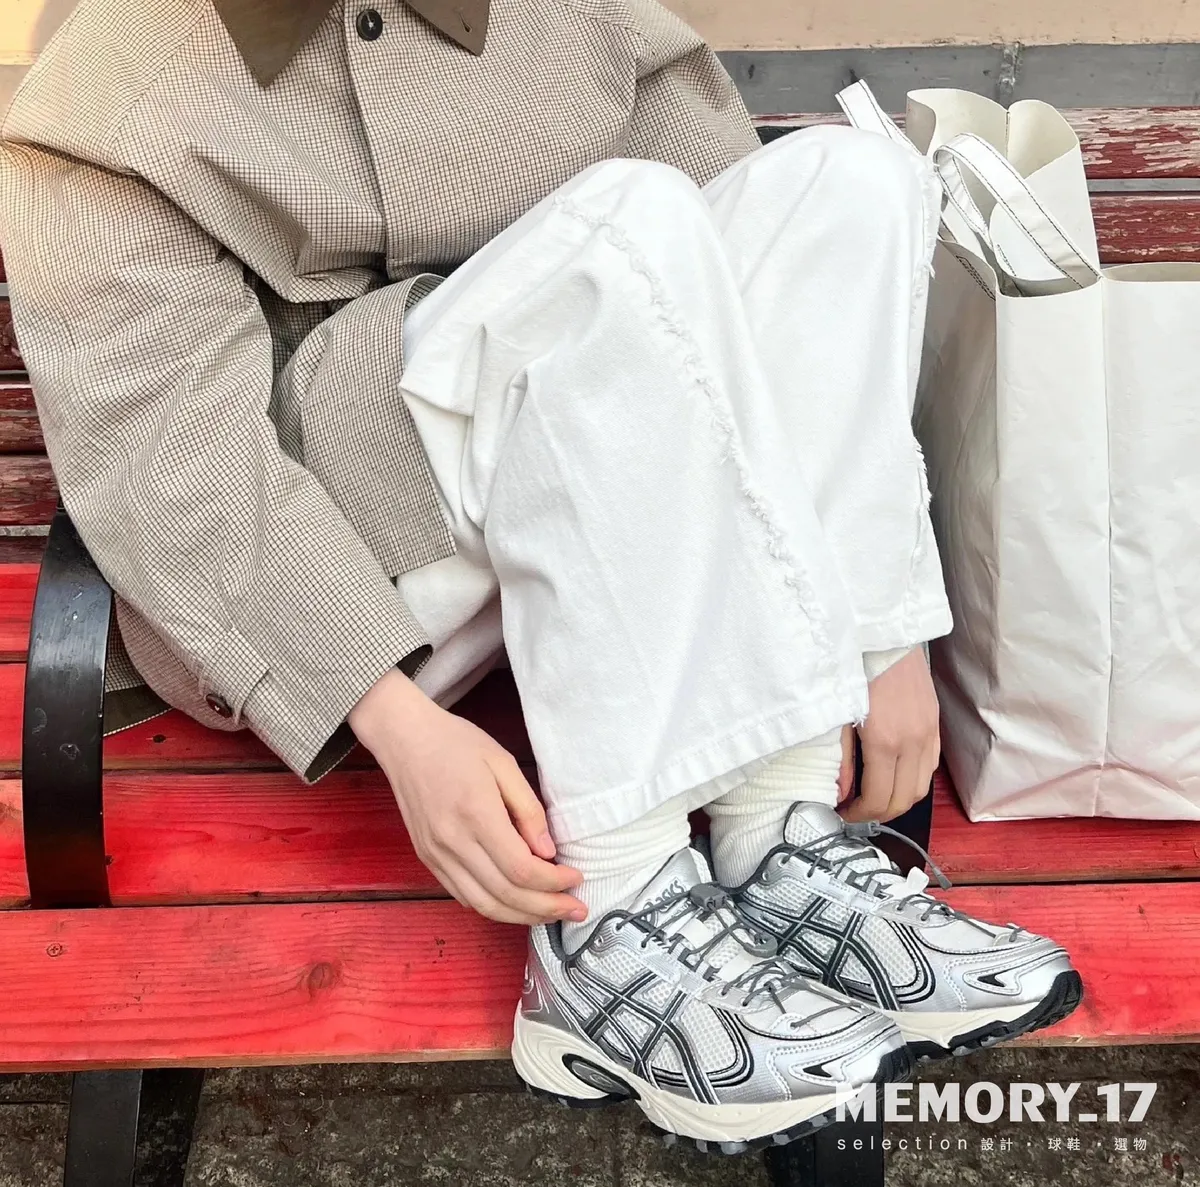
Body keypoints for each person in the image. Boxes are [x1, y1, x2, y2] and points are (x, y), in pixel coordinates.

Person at [0, 0, 1080, 1149]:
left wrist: (879, 625)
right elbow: (174, 461)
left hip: (607, 510)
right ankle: (609, 917)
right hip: (336, 574)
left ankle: (778, 834)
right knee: (624, 227)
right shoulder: (115, 79)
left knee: (848, 185)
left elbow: (743, 291)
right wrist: (396, 722)